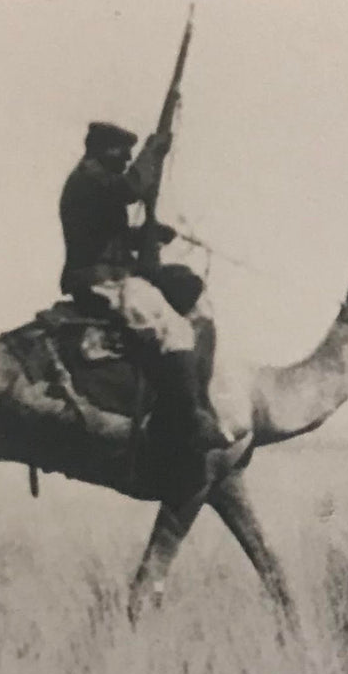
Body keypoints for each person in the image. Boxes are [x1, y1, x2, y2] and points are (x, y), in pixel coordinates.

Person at [59, 120, 229, 452]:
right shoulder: (89, 179)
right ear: (100, 148)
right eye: (120, 150)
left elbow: (106, 233)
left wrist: (149, 235)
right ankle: (187, 421)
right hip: (99, 281)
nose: (126, 157)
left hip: (111, 274)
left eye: (130, 152)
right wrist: (153, 150)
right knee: (175, 331)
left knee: (187, 285)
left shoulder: (97, 181)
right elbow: (128, 190)